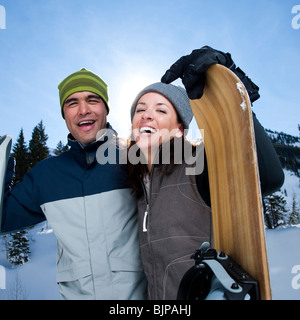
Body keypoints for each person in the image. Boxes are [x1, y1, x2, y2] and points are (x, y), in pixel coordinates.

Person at [127, 46, 284, 300]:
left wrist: (236, 92)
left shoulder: (196, 165)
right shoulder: (136, 184)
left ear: (179, 129)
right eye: (140, 109)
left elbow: (267, 177)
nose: (147, 115)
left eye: (161, 110)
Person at [0, 68, 147, 300]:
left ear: (106, 109)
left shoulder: (138, 157)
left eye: (92, 100)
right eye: (72, 103)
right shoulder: (46, 175)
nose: (83, 110)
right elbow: (3, 217)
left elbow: (198, 179)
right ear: (64, 114)